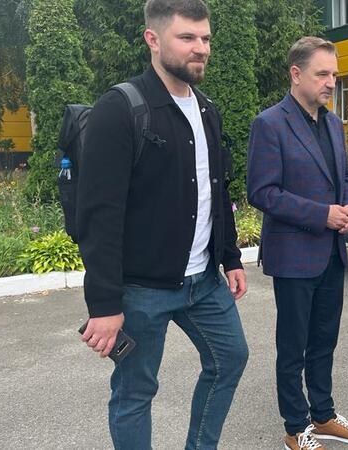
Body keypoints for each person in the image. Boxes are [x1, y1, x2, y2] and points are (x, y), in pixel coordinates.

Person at [77, 1, 248, 448]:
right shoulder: (120, 108)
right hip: (141, 290)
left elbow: (217, 189)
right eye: (187, 37)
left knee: (230, 358)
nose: (201, 48)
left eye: (205, 38)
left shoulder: (207, 109)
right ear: (152, 40)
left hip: (203, 282)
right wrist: (104, 304)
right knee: (135, 391)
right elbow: (99, 215)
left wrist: (230, 257)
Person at [247, 37, 348, 450]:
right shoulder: (270, 123)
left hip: (332, 253)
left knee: (324, 341)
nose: (331, 82)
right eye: (322, 74)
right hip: (294, 256)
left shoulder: (334, 124)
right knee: (293, 347)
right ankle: (295, 427)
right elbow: (262, 192)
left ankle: (323, 415)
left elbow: (345, 180)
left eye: (334, 74)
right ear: (296, 74)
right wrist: (322, 215)